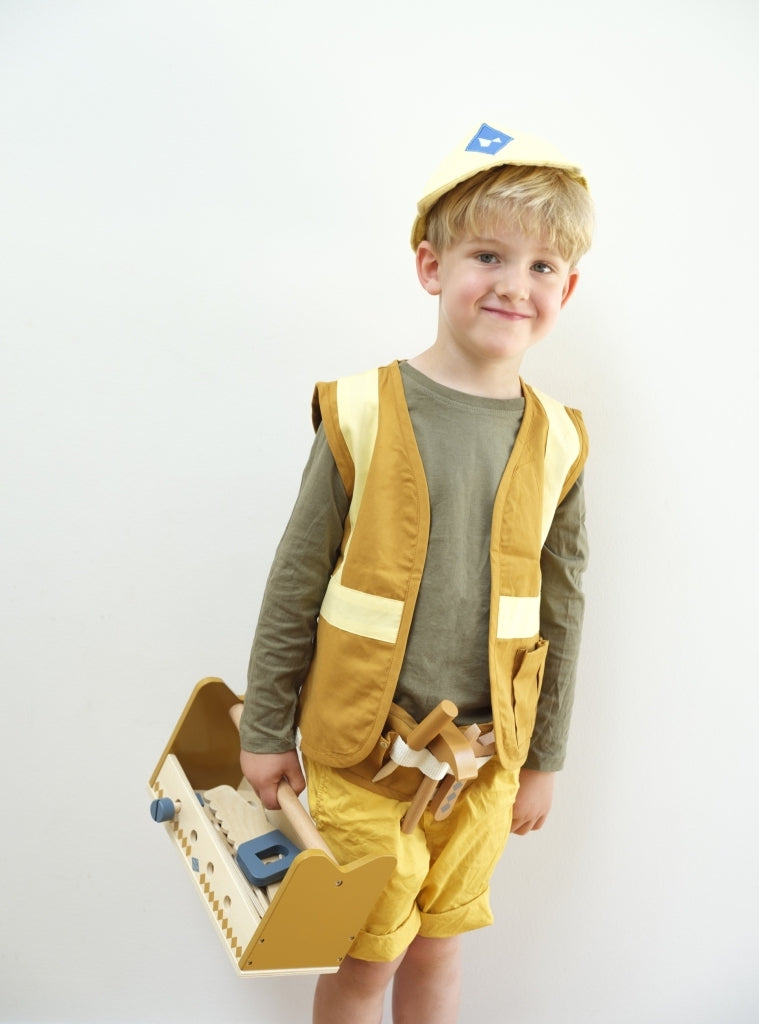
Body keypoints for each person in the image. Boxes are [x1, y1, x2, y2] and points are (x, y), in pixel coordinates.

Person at [239, 120, 594, 1024]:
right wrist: (265, 727)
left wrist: (542, 758)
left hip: (483, 765)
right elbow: (295, 582)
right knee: (365, 962)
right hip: (362, 758)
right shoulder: (361, 409)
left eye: (542, 266)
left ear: (567, 288)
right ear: (431, 267)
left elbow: (562, 611)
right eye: (488, 256)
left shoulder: (560, 438)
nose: (513, 284)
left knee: (438, 951)